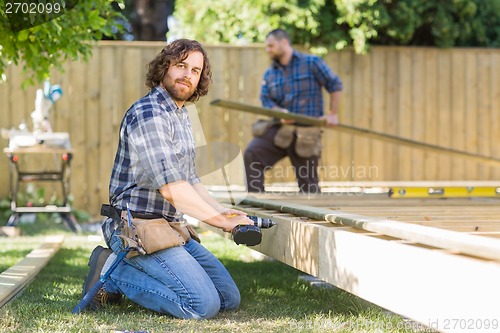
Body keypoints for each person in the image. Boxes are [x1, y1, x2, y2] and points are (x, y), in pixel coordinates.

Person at [80, 39, 254, 319]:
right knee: (202, 305)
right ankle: (111, 269)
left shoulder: (182, 115)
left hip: (170, 227)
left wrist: (225, 212)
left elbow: (191, 182)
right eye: (181, 65)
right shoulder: (149, 113)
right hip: (137, 227)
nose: (188, 75)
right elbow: (173, 189)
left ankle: (123, 272)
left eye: (196, 71)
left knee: (227, 298)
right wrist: (222, 224)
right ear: (164, 68)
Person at [243, 29, 343, 194]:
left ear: (284, 43)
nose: (268, 50)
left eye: (271, 46)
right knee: (252, 154)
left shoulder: (311, 63)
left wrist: (332, 113)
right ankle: (256, 206)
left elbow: (335, 84)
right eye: (266, 47)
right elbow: (266, 99)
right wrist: (279, 112)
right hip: (280, 130)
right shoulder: (270, 73)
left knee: (309, 187)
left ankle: (311, 216)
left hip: (307, 133)